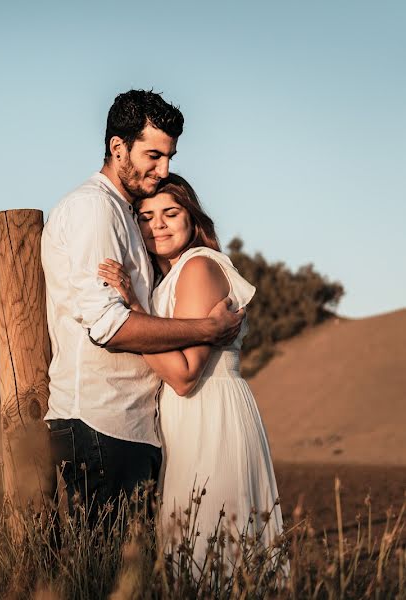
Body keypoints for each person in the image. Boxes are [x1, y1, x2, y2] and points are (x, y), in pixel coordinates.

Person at [41, 90, 244, 525]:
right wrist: (205, 329)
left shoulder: (124, 212)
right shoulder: (94, 209)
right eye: (153, 155)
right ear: (118, 147)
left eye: (169, 157)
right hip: (101, 423)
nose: (164, 169)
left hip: (130, 427)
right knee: (104, 579)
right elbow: (110, 327)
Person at [98, 173, 284, 568]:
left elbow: (183, 376)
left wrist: (130, 309)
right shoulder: (170, 276)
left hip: (207, 410)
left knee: (209, 548)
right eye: (145, 217)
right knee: (192, 544)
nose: (157, 225)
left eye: (170, 212)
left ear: (192, 218)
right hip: (190, 416)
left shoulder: (199, 266)